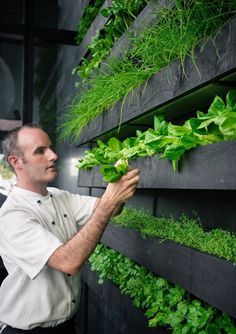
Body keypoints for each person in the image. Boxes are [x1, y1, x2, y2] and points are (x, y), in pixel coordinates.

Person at [0, 124, 140, 333]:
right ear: (16, 162)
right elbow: (68, 262)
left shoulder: (60, 196)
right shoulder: (13, 215)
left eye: (50, 147)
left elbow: (111, 209)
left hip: (66, 326)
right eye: (40, 151)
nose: (54, 155)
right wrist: (111, 200)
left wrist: (119, 182)